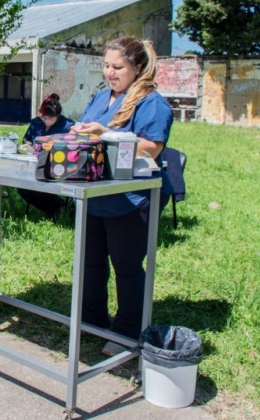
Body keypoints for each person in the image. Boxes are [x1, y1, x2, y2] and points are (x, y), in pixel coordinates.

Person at [71, 36, 174, 356]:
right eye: (106, 66)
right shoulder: (102, 98)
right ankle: (91, 321)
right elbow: (90, 133)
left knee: (126, 266)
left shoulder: (152, 103)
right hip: (96, 193)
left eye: (118, 67)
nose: (110, 72)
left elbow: (151, 147)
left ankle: (128, 332)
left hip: (132, 198)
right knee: (90, 262)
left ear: (138, 67)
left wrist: (105, 134)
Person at [18, 93, 75, 218]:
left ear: (58, 116)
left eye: (51, 119)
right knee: (22, 187)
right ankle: (55, 206)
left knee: (47, 183)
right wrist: (28, 146)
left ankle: (56, 208)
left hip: (58, 166)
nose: (47, 121)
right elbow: (27, 140)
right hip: (34, 164)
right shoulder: (36, 123)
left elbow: (73, 146)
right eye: (44, 118)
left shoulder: (68, 125)